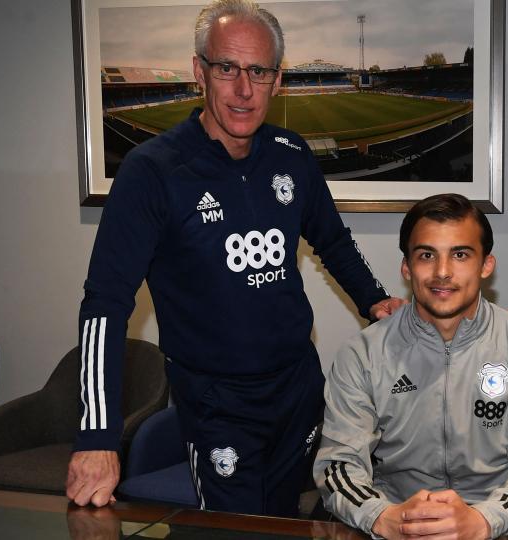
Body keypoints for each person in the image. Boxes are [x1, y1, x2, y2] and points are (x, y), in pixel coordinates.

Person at [66, 0, 404, 517]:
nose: (244, 89)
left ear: (277, 79)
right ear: (199, 71)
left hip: (298, 389)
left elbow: (333, 240)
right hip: (215, 405)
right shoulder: (152, 172)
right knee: (231, 528)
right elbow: (104, 304)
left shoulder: (292, 154)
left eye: (258, 71)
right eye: (227, 68)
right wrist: (97, 435)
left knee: (285, 521)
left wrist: (374, 301)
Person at [313, 194, 508, 540]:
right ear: (406, 268)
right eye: (426, 255)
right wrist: (383, 517)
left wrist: (482, 521)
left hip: (497, 524)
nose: (442, 272)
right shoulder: (363, 354)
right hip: (395, 521)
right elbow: (338, 465)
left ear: (486, 265)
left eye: (460, 254)